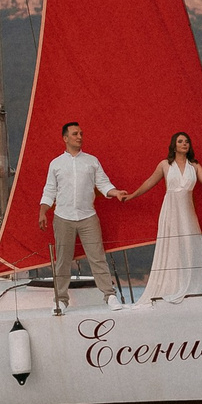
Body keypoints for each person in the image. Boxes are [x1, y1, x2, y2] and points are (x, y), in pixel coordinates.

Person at [123, 131, 202, 302]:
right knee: (172, 247)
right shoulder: (165, 165)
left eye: (187, 141)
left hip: (188, 213)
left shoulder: (194, 165)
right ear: (174, 145)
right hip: (170, 211)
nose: (184, 144)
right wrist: (132, 196)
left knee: (190, 246)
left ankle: (191, 288)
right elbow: (149, 182)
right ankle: (171, 286)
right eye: (180, 141)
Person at [39, 120, 125, 313]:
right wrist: (42, 211)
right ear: (65, 138)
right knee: (63, 260)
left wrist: (116, 192)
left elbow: (103, 184)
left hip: (88, 216)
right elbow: (49, 191)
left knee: (97, 257)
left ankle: (110, 296)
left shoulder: (92, 161)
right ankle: (61, 300)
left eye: (81, 134)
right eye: (75, 134)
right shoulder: (56, 164)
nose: (79, 137)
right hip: (63, 217)